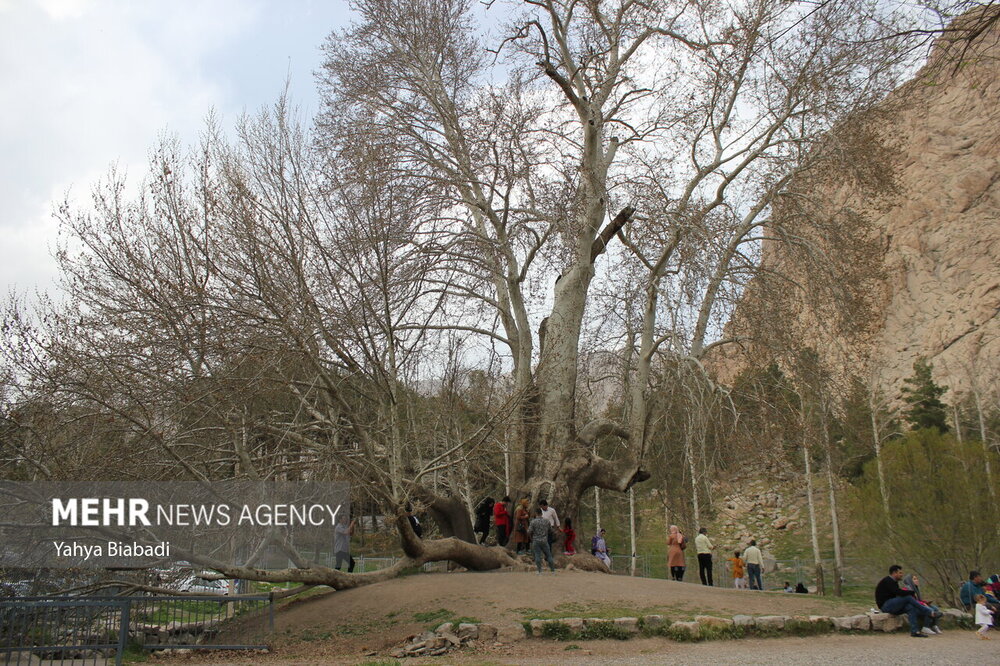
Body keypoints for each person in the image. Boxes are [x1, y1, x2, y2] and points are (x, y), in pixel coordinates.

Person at [875, 564, 938, 638]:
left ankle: (915, 631)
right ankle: (928, 611)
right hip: (886, 605)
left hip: (892, 605)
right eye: (900, 573)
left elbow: (897, 594)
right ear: (894, 573)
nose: (902, 575)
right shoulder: (888, 580)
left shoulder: (894, 582)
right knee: (907, 597)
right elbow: (898, 592)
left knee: (910, 607)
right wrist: (911, 592)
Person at [528, 508, 556, 574]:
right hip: (544, 540)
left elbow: (529, 531)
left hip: (536, 541)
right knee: (549, 555)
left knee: (537, 555)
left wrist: (531, 538)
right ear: (541, 513)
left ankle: (539, 571)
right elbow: (551, 531)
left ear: (536, 513)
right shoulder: (547, 521)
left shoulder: (533, 522)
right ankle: (552, 571)